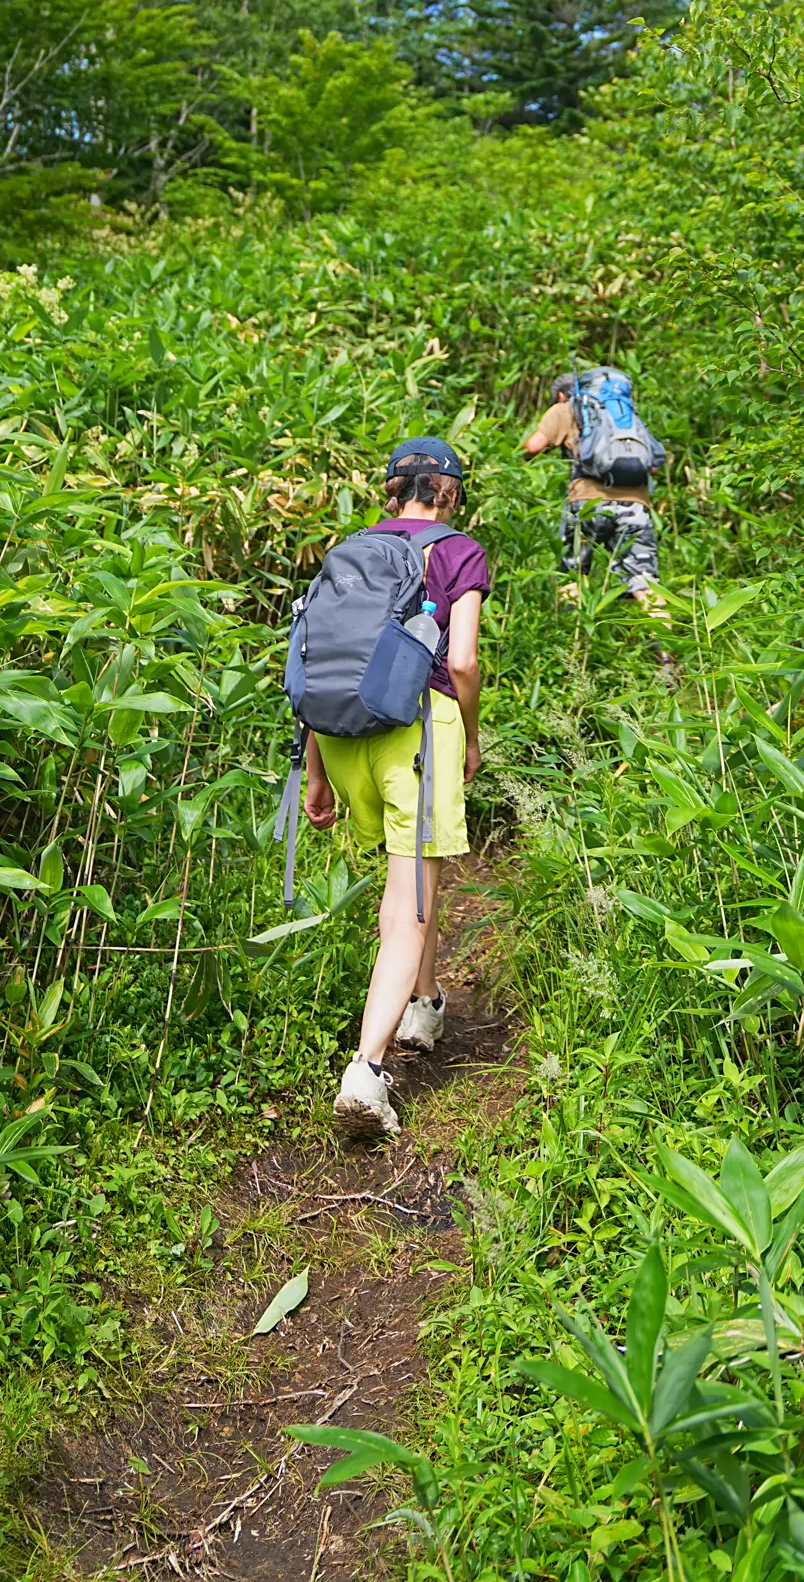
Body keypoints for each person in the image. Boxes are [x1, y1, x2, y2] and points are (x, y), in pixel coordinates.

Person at [301, 434, 489, 1139]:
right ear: (448, 493)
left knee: (417, 877)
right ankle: (367, 1071)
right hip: (417, 732)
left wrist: (317, 773)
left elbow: (324, 658)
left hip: (344, 740)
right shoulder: (456, 551)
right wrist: (470, 734)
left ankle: (426, 1003)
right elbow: (462, 661)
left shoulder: (351, 548)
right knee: (405, 907)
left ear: (392, 489)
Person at [521, 372, 667, 613]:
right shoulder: (624, 414)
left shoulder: (565, 408)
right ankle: (665, 647)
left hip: (587, 504)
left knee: (574, 576)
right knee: (644, 583)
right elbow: (654, 466)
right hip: (636, 506)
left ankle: (572, 642)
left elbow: (533, 446)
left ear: (560, 394)